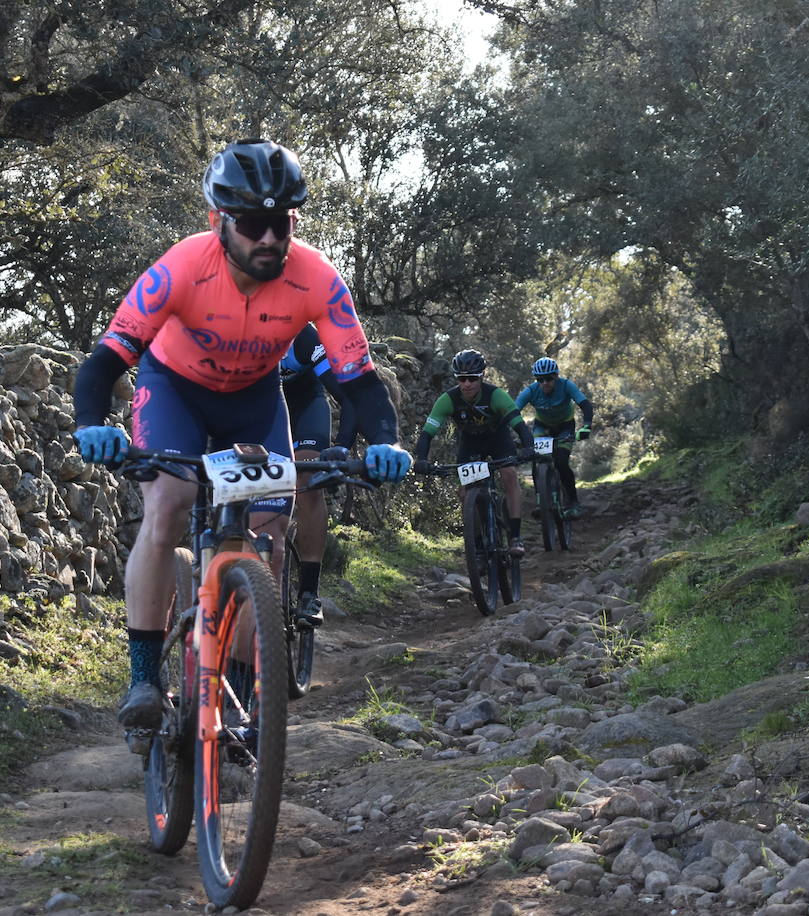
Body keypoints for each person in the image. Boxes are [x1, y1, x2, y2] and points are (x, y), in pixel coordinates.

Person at [70, 138, 412, 732]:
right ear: (218, 222)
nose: (269, 239)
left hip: (255, 401)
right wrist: (93, 424)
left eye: (281, 223)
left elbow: (360, 382)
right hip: (175, 390)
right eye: (253, 224)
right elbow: (104, 362)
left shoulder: (317, 279)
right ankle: (145, 676)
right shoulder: (180, 266)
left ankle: (246, 687)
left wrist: (385, 440)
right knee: (169, 506)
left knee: (270, 531)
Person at [413, 348, 535, 555]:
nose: (467, 384)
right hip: (470, 443)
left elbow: (520, 426)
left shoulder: (496, 396)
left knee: (509, 475)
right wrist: (421, 459)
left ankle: (515, 537)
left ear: (482, 376)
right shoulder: (448, 400)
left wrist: (528, 448)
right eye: (461, 379)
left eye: (472, 378)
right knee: (465, 492)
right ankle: (476, 544)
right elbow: (427, 433)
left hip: (498, 439)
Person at [278, 322, 356, 629]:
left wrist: (342, 447)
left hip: (307, 408)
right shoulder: (236, 326)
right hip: (262, 413)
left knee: (307, 481)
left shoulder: (304, 337)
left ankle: (308, 592)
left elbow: (348, 396)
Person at [513, 356, 594, 517]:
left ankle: (573, 502)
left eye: (549, 378)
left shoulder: (566, 385)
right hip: (542, 426)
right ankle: (541, 501)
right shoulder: (531, 391)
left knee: (562, 462)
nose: (544, 383)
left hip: (565, 426)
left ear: (556, 376)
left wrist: (587, 426)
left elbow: (585, 405)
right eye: (540, 379)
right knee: (538, 459)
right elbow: (513, 411)